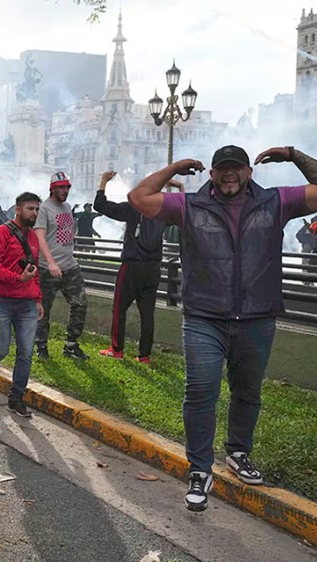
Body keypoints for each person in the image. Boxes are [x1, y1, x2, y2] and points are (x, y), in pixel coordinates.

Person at [128, 144, 317, 512]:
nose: (229, 174)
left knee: (247, 392)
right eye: (222, 169)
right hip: (204, 317)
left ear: (249, 172)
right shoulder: (189, 207)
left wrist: (294, 155)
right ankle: (199, 470)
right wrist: (176, 167)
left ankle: (238, 452)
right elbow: (139, 197)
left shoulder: (276, 202)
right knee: (201, 390)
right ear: (211, 174)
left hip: (257, 317)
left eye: (237, 168)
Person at [94, 171, 180, 363]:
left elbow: (99, 205)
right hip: (153, 268)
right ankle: (144, 355)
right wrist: (178, 189)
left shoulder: (133, 208)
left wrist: (103, 182)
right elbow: (181, 211)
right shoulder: (162, 211)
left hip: (132, 266)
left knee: (119, 309)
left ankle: (117, 349)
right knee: (147, 313)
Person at [0, 192, 44, 418]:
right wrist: (17, 279)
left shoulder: (33, 238)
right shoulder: (1, 233)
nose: (34, 213)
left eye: (36, 209)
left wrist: (38, 299)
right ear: (18, 209)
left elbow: (35, 272)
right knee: (1, 349)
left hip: (27, 304)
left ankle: (16, 398)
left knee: (25, 353)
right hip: (1, 300)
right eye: (30, 208)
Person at [34, 171, 89, 360]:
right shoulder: (44, 209)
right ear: (52, 189)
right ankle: (41, 345)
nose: (65, 190)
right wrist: (50, 262)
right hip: (47, 268)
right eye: (61, 187)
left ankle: (71, 345)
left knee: (80, 303)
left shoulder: (67, 207)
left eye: (67, 187)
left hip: (70, 266)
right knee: (43, 309)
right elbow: (40, 236)